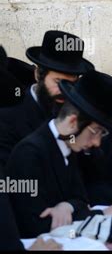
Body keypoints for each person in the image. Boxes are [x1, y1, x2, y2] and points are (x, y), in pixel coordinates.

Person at [6, 71, 112, 238]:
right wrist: (99, 214)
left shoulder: (68, 146)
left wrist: (67, 206)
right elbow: (37, 225)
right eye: (95, 132)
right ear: (73, 122)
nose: (97, 143)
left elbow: (81, 199)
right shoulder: (29, 154)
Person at [0, 30, 94, 167]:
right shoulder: (7, 117)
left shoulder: (77, 114)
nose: (64, 91)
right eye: (58, 82)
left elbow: (91, 170)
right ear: (38, 75)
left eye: (70, 84)